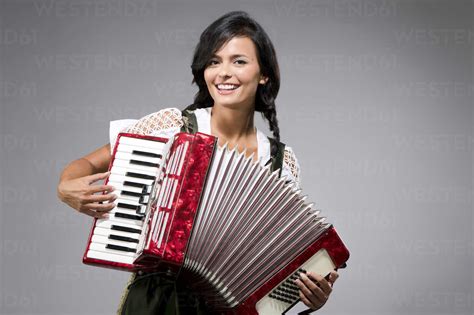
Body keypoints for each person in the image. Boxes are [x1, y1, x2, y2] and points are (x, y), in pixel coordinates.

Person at [57, 11, 339, 314]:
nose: (223, 72)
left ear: (264, 74)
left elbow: (277, 263)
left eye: (239, 61)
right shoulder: (173, 126)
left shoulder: (280, 161)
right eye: (214, 61)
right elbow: (83, 165)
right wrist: (66, 187)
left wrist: (310, 295)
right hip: (157, 302)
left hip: (228, 308)